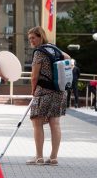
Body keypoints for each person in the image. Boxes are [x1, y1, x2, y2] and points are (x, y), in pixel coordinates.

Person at [27, 26, 71, 166]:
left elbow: (34, 76)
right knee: (55, 124)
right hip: (59, 91)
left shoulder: (39, 53)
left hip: (43, 91)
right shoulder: (54, 48)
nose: (31, 41)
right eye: (30, 39)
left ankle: (39, 157)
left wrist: (33, 90)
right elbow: (68, 58)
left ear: (41, 36)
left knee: (37, 123)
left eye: (33, 38)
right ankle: (53, 158)